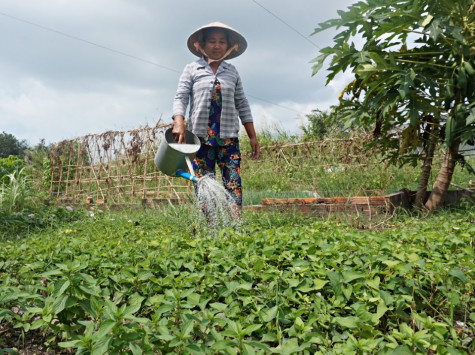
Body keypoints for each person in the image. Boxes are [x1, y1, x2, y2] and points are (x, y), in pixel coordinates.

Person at [172, 21, 260, 217]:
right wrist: (179, 122)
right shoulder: (192, 69)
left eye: (222, 41)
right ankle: (210, 227)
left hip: (228, 139)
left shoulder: (232, 71)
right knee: (204, 183)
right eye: (212, 41)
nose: (217, 45)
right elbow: (181, 97)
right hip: (201, 139)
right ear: (202, 44)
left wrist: (252, 136)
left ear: (228, 46)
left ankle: (236, 227)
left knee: (233, 183)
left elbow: (242, 104)